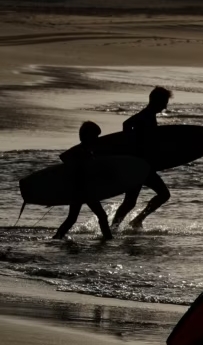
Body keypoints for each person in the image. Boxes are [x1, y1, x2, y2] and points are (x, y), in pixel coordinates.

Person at [111, 86, 172, 230]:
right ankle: (131, 222)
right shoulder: (146, 115)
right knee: (163, 194)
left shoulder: (150, 115)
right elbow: (126, 124)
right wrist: (131, 147)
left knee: (130, 202)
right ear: (157, 101)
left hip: (142, 165)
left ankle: (115, 227)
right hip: (139, 166)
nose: (165, 105)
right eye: (165, 102)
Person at [54, 121, 113, 241]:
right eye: (95, 136)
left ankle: (57, 237)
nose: (96, 139)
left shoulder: (88, 150)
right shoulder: (80, 150)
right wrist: (76, 165)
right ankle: (108, 238)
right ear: (86, 136)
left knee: (72, 218)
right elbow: (64, 157)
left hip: (84, 190)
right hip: (82, 190)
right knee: (101, 215)